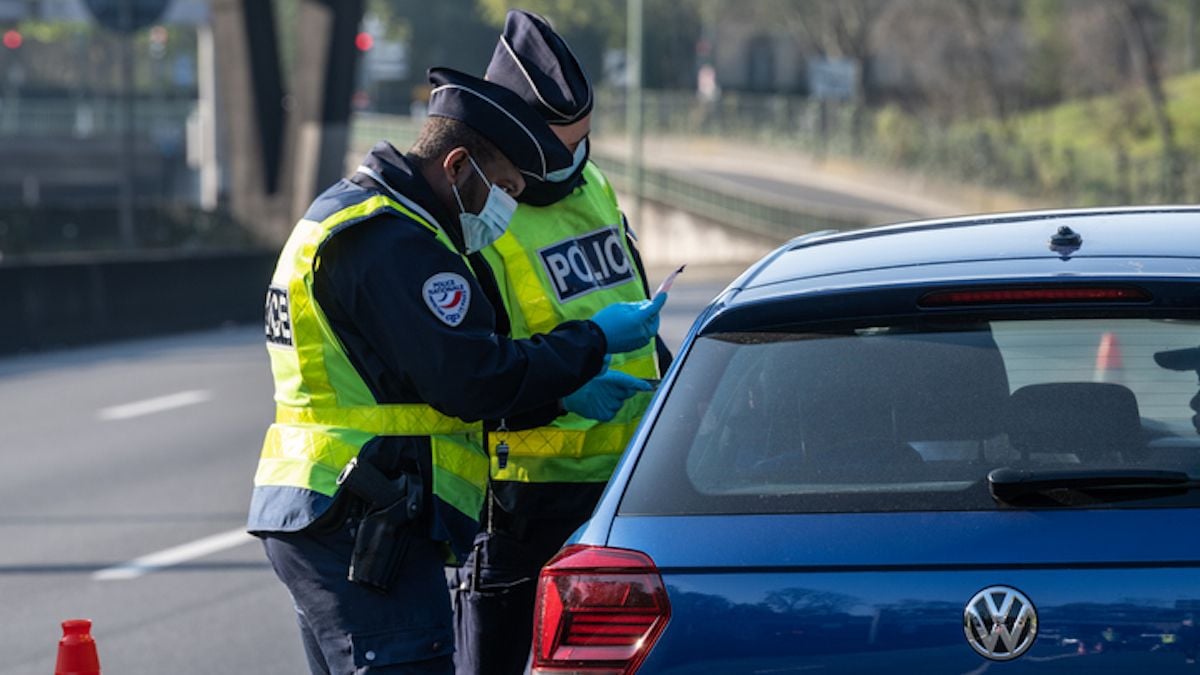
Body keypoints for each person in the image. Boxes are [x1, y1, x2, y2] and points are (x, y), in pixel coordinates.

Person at [247, 66, 666, 675]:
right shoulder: (393, 242)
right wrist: (594, 339)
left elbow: (420, 386)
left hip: (336, 510)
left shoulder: (357, 216)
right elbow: (472, 379)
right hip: (361, 519)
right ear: (458, 165)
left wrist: (560, 400)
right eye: (504, 187)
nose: (507, 205)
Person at [449, 11, 672, 674]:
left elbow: (628, 307)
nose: (573, 163)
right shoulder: (478, 215)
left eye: (583, 144)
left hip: (625, 487)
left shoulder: (593, 184)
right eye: (558, 148)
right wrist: (565, 395)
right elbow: (465, 378)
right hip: (523, 500)